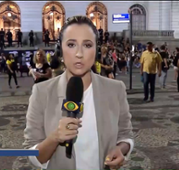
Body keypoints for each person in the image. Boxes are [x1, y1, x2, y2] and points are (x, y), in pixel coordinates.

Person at [23, 15, 134, 170]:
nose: (79, 54)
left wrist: (121, 149)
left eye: (87, 45)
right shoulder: (42, 92)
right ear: (60, 49)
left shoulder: (116, 89)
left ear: (96, 49)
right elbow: (32, 153)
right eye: (71, 44)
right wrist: (55, 137)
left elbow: (126, 134)